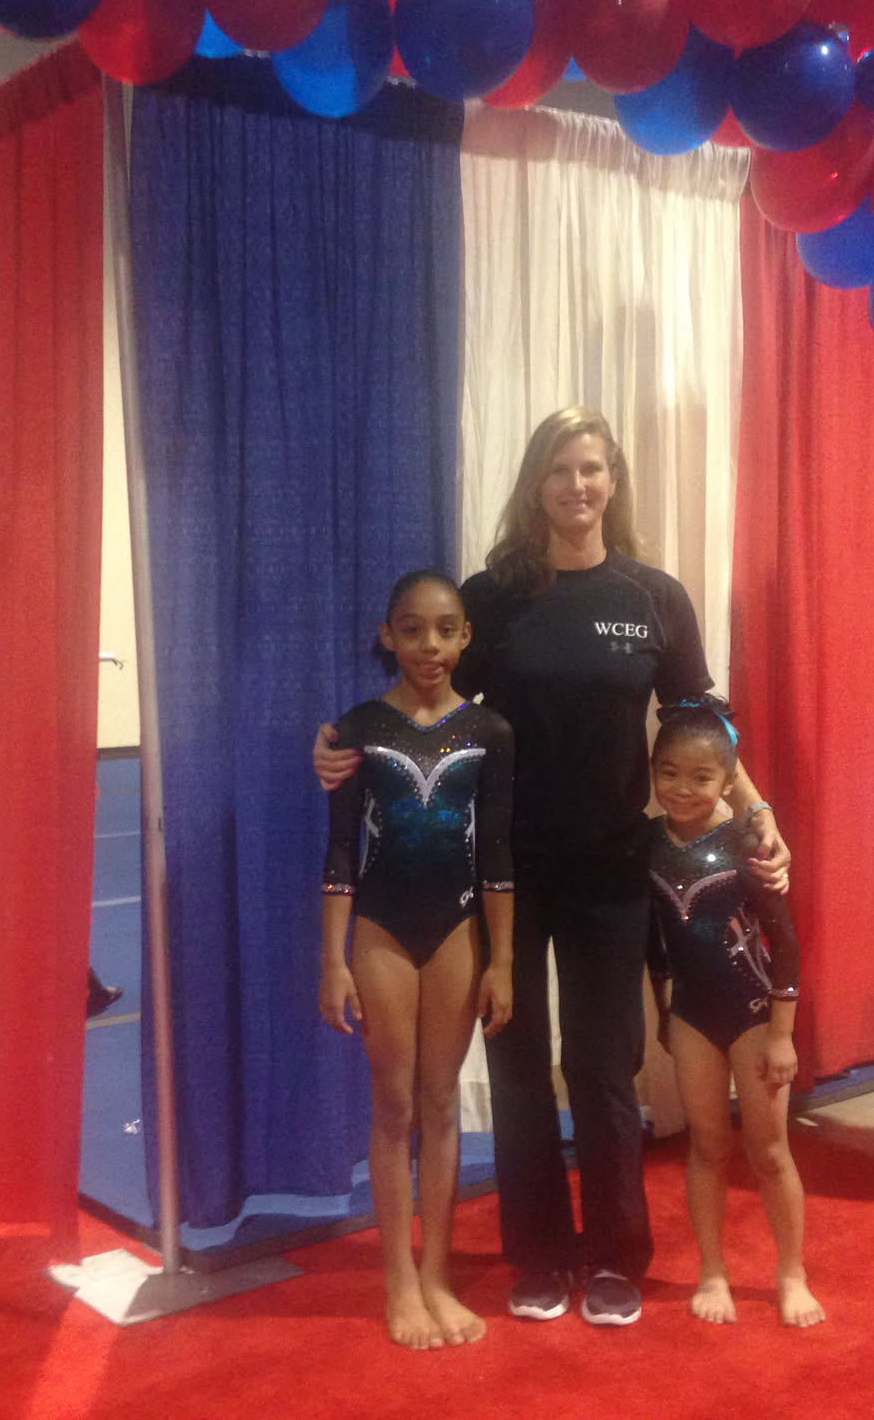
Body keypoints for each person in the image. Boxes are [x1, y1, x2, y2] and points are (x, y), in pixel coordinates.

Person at [314, 407, 789, 1327]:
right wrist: (338, 747)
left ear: (613, 481)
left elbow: (701, 722)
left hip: (612, 868)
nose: (578, 485)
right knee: (519, 1061)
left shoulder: (653, 596)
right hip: (507, 874)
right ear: (536, 485)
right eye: (561, 470)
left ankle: (614, 1255)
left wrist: (756, 809)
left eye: (592, 469)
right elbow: (428, 701)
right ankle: (538, 1251)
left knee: (606, 1065)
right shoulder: (494, 597)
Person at [319, 570, 516, 1351]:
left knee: (439, 1105)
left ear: (465, 636)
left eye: (444, 629)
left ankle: (436, 1275)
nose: (428, 645)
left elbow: (496, 855)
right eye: (411, 629)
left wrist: (503, 960)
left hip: (460, 931)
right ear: (387, 635)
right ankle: (397, 1280)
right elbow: (341, 852)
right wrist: (332, 960)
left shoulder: (490, 732)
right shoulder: (358, 729)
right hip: (383, 932)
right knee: (393, 1106)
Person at [646, 700, 822, 1328]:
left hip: (754, 1016)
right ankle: (712, 1270)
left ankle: (791, 1273)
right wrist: (664, 1007)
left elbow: (786, 944)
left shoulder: (747, 843)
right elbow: (653, 942)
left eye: (701, 777)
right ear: (652, 773)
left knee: (769, 1150)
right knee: (707, 1146)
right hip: (692, 1016)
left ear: (727, 780)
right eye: (669, 773)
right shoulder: (648, 845)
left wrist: (782, 1035)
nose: (683, 789)